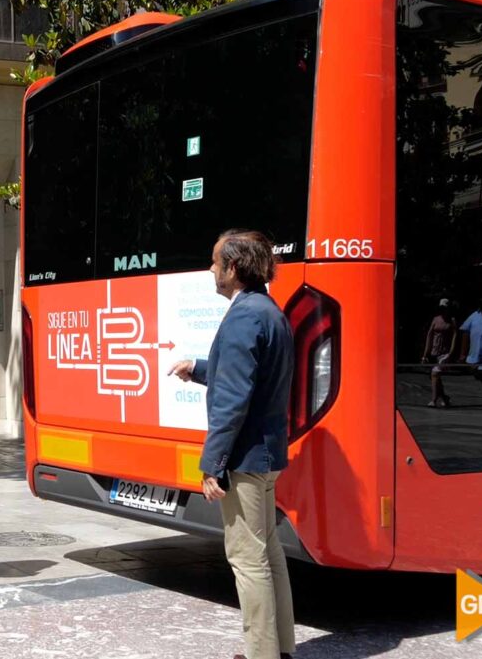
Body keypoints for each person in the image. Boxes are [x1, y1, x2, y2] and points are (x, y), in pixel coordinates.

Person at [168, 230, 295, 659]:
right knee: (268, 553)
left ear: (233, 268)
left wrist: (212, 464)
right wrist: (198, 367)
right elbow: (247, 379)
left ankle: (262, 654)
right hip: (268, 453)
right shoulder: (268, 311)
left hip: (244, 456)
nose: (210, 269)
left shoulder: (244, 317)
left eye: (214, 262)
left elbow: (233, 400)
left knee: (247, 559)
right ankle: (280, 647)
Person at [421, 298, 457, 408]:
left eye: (445, 308)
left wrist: (451, 353)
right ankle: (445, 398)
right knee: (435, 378)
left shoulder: (452, 320)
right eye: (441, 308)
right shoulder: (435, 319)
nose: (443, 310)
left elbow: (455, 336)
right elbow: (429, 336)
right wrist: (425, 354)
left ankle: (433, 400)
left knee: (435, 374)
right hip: (434, 352)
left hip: (445, 353)